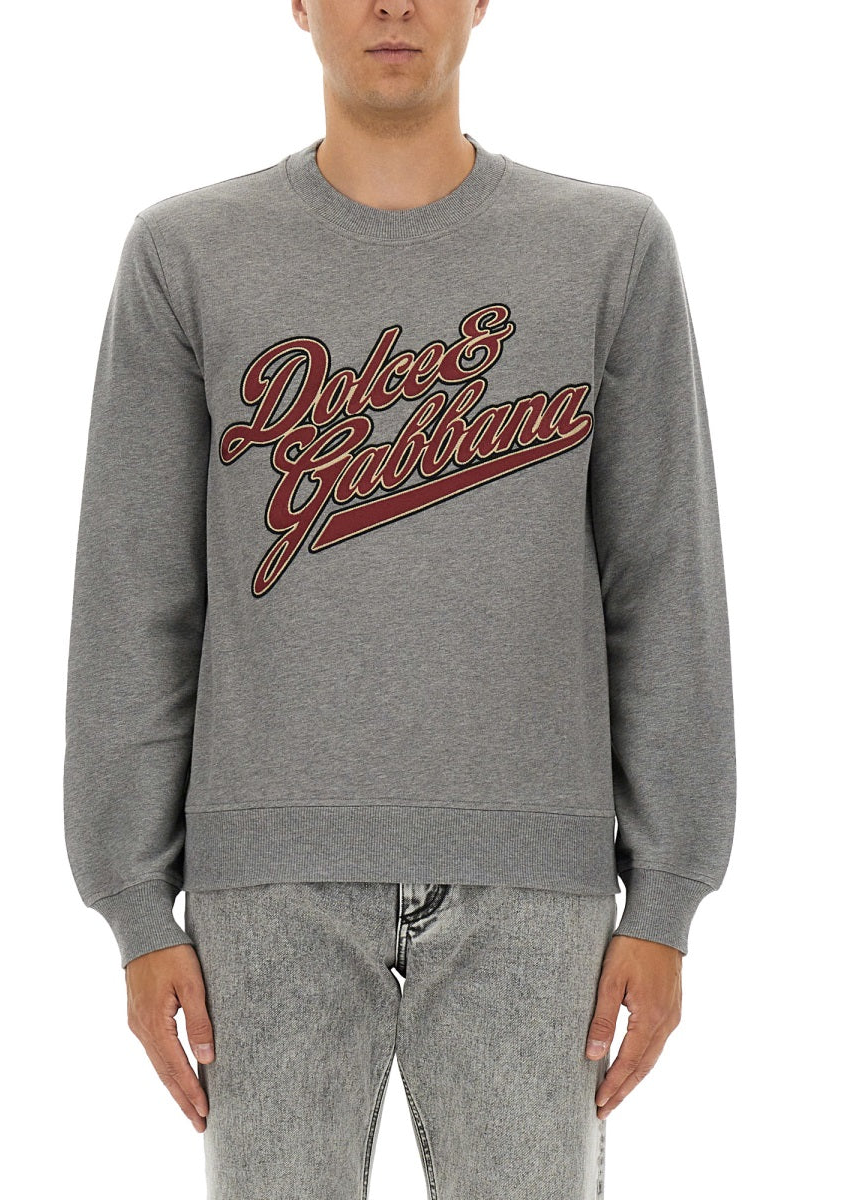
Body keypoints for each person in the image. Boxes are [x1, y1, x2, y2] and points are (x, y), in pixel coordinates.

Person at [63, 1, 736, 1196]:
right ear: (297, 3)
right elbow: (137, 593)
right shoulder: (187, 253)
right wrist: (134, 906)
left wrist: (668, 897)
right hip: (263, 895)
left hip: (538, 891)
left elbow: (661, 575)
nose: (391, 5)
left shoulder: (608, 247)